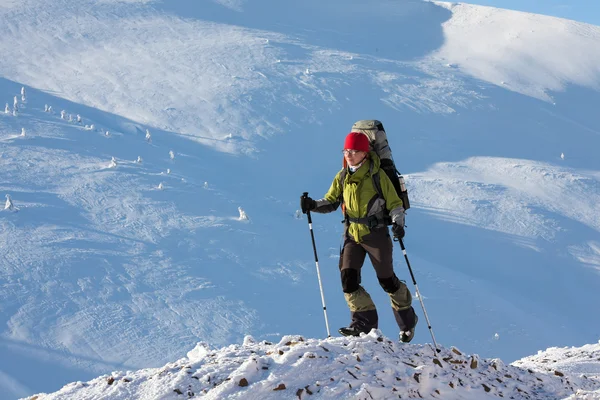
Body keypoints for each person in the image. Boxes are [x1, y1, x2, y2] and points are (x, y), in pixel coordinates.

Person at [300, 132, 418, 342]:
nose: (349, 155)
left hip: (376, 234)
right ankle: (363, 325)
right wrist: (313, 206)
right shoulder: (343, 176)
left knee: (387, 281)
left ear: (365, 153)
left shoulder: (377, 176)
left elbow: (395, 204)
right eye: (346, 151)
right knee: (348, 279)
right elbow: (331, 201)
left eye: (354, 151)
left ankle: (408, 320)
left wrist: (398, 224)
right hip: (351, 234)